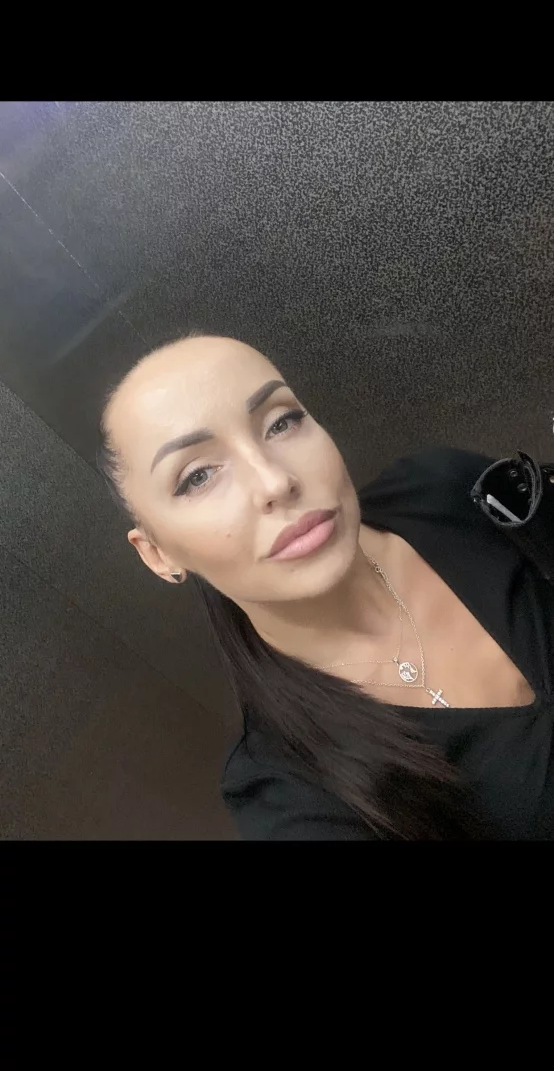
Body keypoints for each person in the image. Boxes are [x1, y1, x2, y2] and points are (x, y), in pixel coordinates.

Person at [96, 331, 554, 840]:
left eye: (281, 422)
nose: (275, 482)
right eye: (198, 476)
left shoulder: (443, 488)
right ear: (157, 554)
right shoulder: (288, 794)